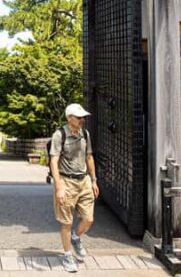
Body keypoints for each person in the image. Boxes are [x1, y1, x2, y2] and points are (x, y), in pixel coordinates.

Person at [49, 103, 99, 273]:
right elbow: (53, 161)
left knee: (89, 218)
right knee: (66, 222)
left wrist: (93, 180)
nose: (82, 120)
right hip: (66, 182)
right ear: (69, 118)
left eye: (83, 117)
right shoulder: (59, 135)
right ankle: (67, 254)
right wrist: (59, 187)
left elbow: (89, 157)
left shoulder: (85, 134)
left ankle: (76, 238)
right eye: (79, 117)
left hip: (84, 180)